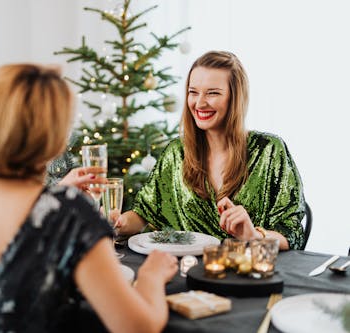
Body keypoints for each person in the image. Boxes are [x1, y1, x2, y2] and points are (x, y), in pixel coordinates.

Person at [0, 64, 178, 333]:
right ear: (53, 140)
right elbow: (138, 328)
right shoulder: (67, 212)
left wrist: (56, 194)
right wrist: (151, 277)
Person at [116, 51, 306, 251]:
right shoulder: (176, 153)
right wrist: (116, 223)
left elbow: (292, 234)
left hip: (249, 274)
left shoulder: (269, 151)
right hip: (186, 275)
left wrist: (253, 235)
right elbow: (144, 214)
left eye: (212, 93)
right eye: (193, 92)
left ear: (235, 97)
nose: (199, 103)